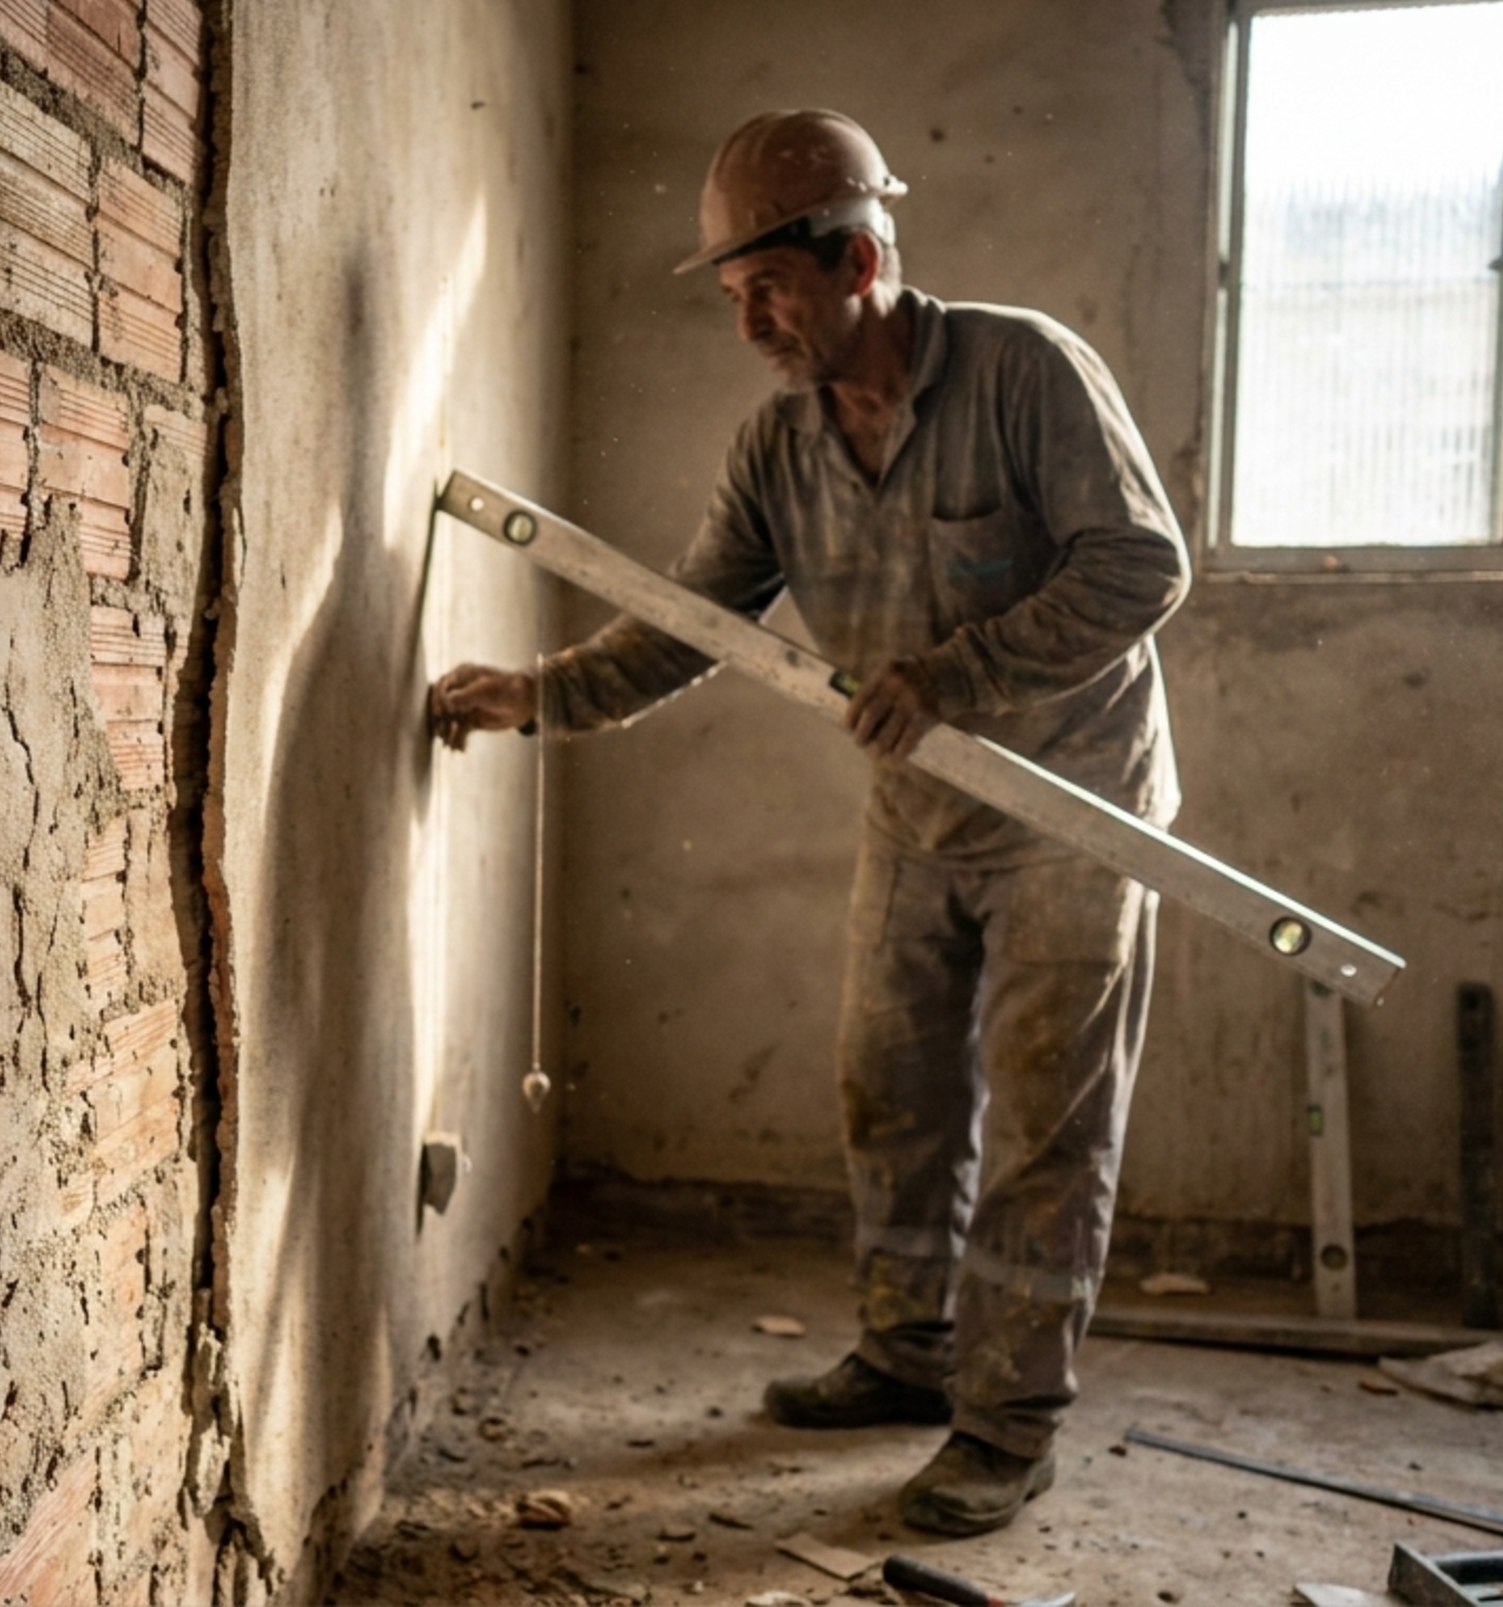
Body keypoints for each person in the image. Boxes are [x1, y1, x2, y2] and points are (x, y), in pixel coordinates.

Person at [427, 109, 1190, 1536]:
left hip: (1074, 811)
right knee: (889, 1089)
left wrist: (953, 675)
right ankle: (909, 1354)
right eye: (733, 295)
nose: (749, 324)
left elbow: (1141, 567)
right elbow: (693, 622)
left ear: (861, 260)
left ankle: (1007, 1427)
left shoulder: (1024, 370)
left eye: (770, 288)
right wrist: (542, 695)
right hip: (919, 814)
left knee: (1046, 1130)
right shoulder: (778, 447)